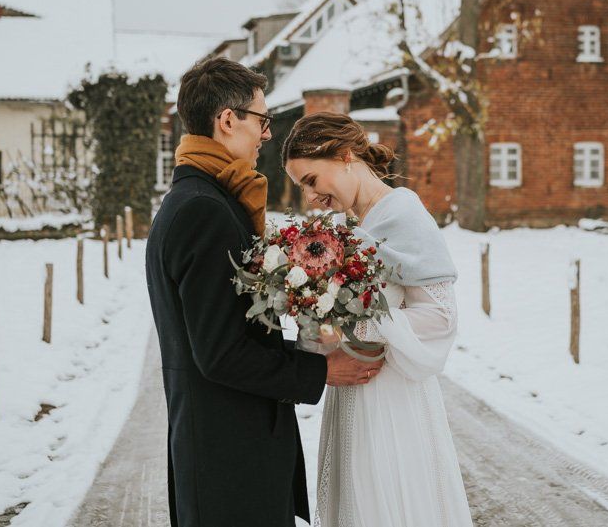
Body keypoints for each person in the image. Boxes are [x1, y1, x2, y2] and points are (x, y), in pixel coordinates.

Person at [145, 58, 384, 527]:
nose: (268, 134)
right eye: (262, 119)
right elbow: (220, 353)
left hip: (227, 454)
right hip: (230, 463)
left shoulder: (200, 200)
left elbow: (224, 335)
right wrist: (320, 370)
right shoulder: (203, 212)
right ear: (227, 120)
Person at [282, 112, 474, 527]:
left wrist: (362, 328)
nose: (311, 197)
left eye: (311, 180)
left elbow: (441, 317)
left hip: (392, 400)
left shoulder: (403, 213)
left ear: (345, 156)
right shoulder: (345, 226)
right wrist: (315, 319)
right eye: (302, 187)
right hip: (350, 395)